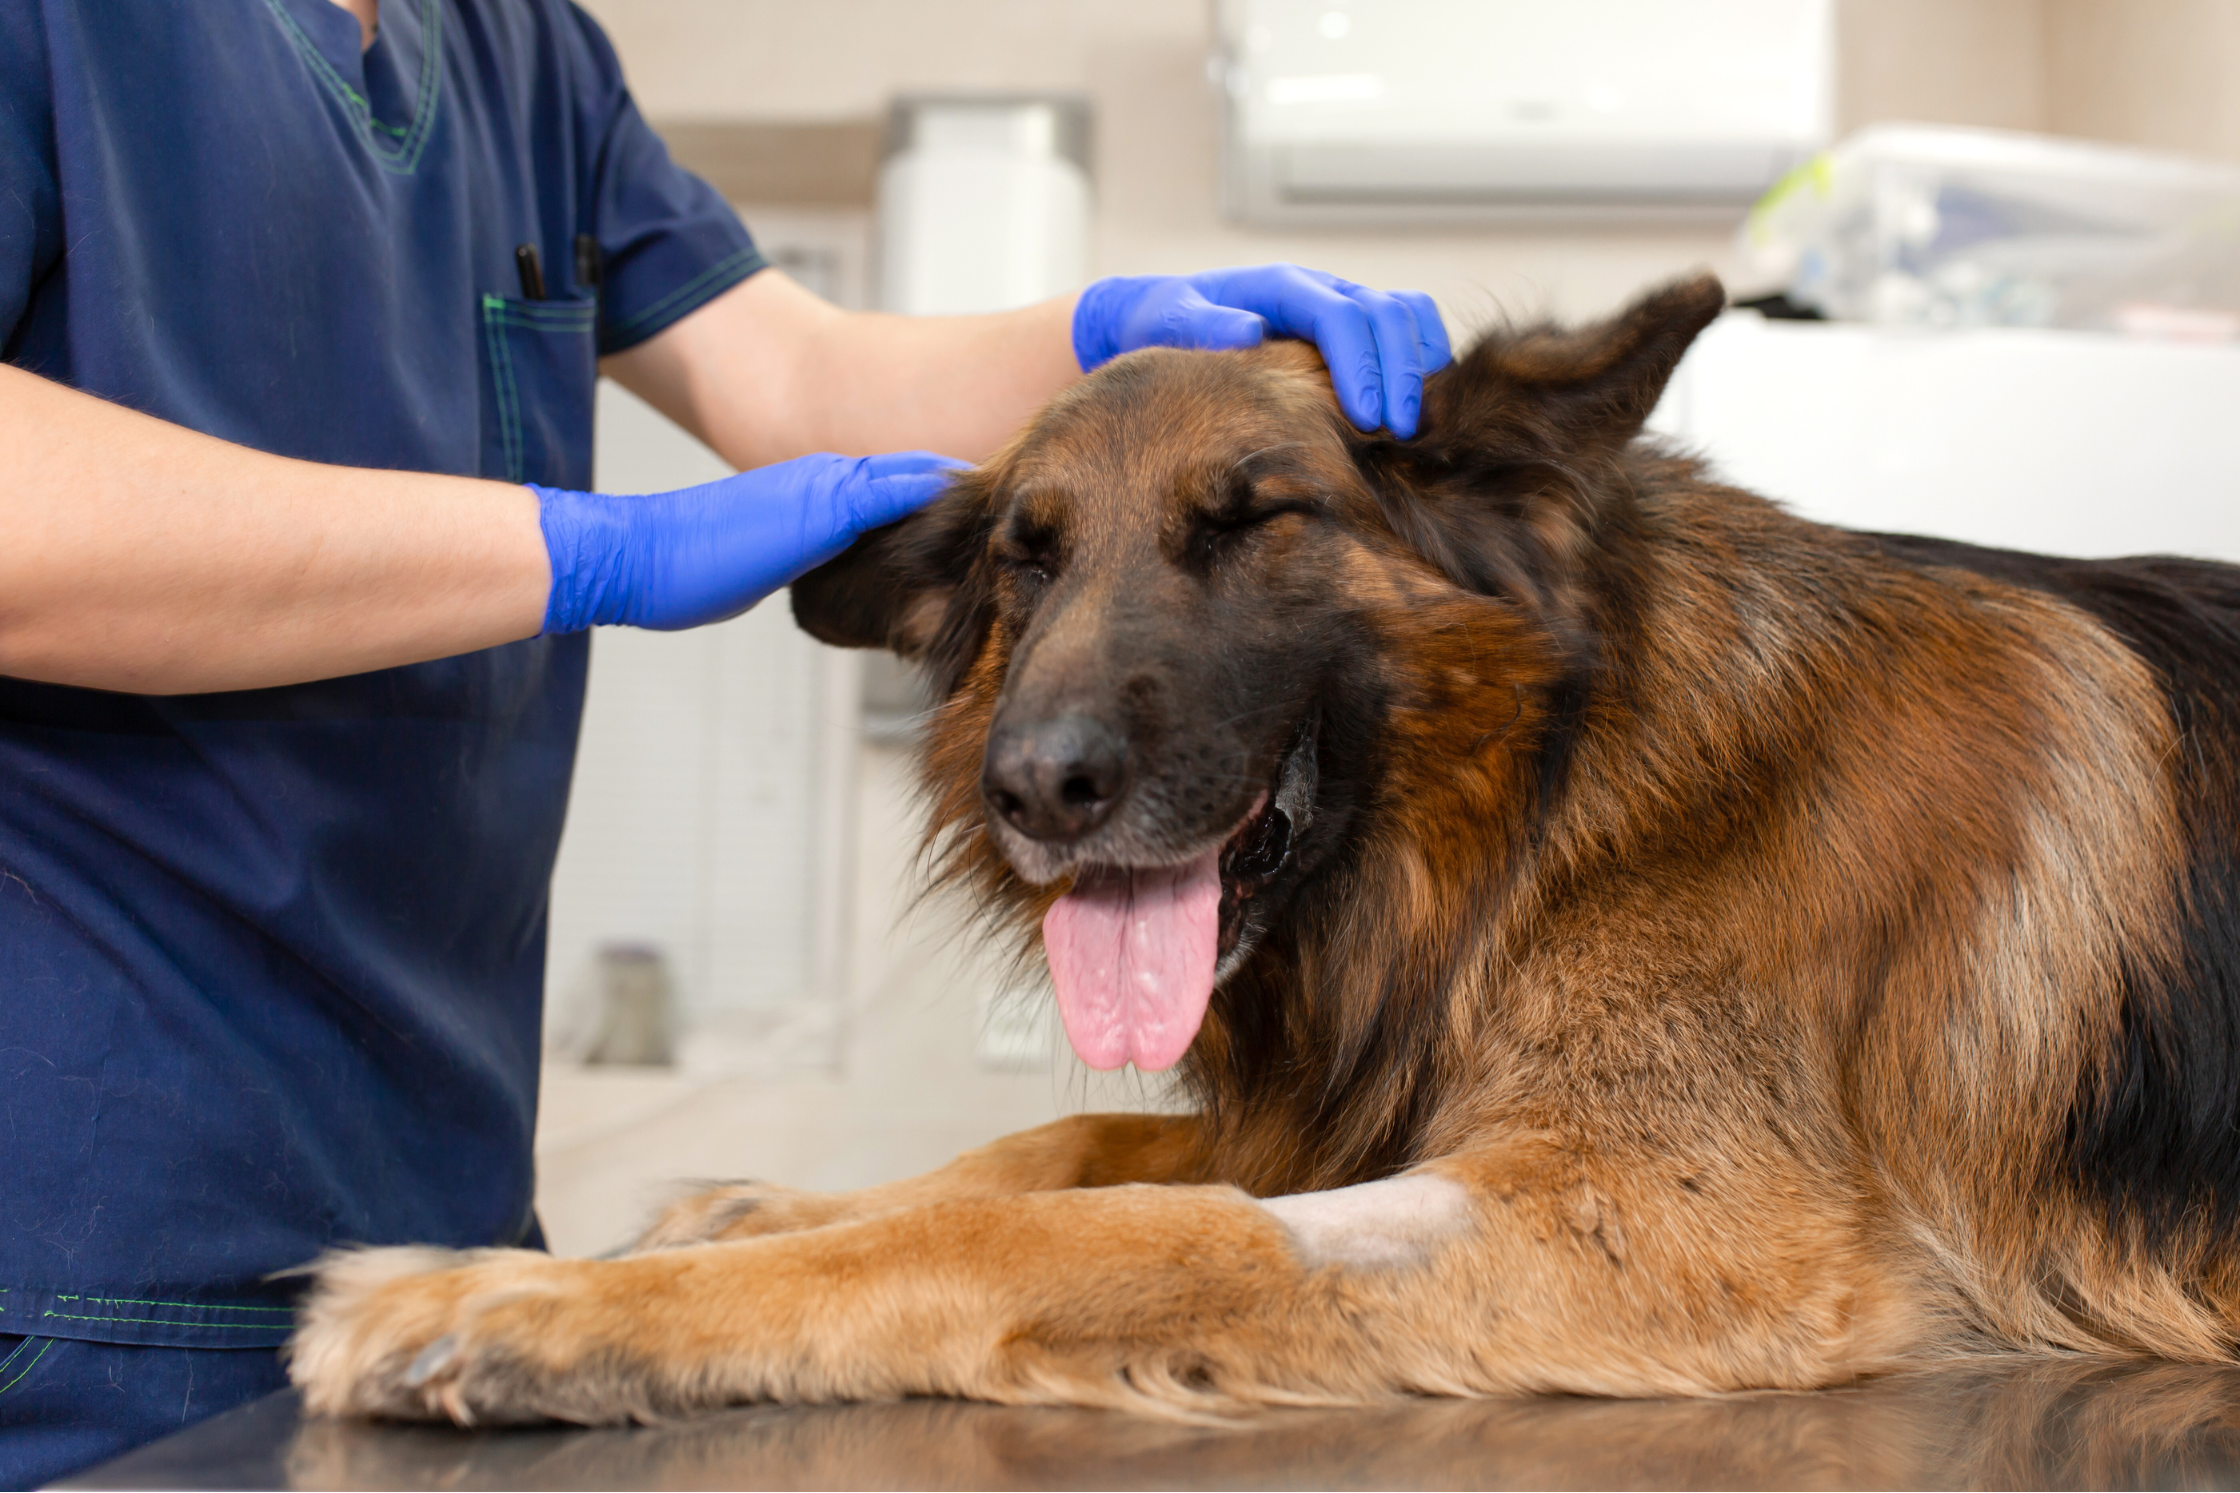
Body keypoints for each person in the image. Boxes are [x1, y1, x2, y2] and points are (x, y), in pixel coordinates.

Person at [0, 0, 1450, 1480]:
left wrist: (1096, 338)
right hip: (78, 1224)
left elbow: (794, 377)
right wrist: (590, 549)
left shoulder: (523, 55)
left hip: (439, 1195)